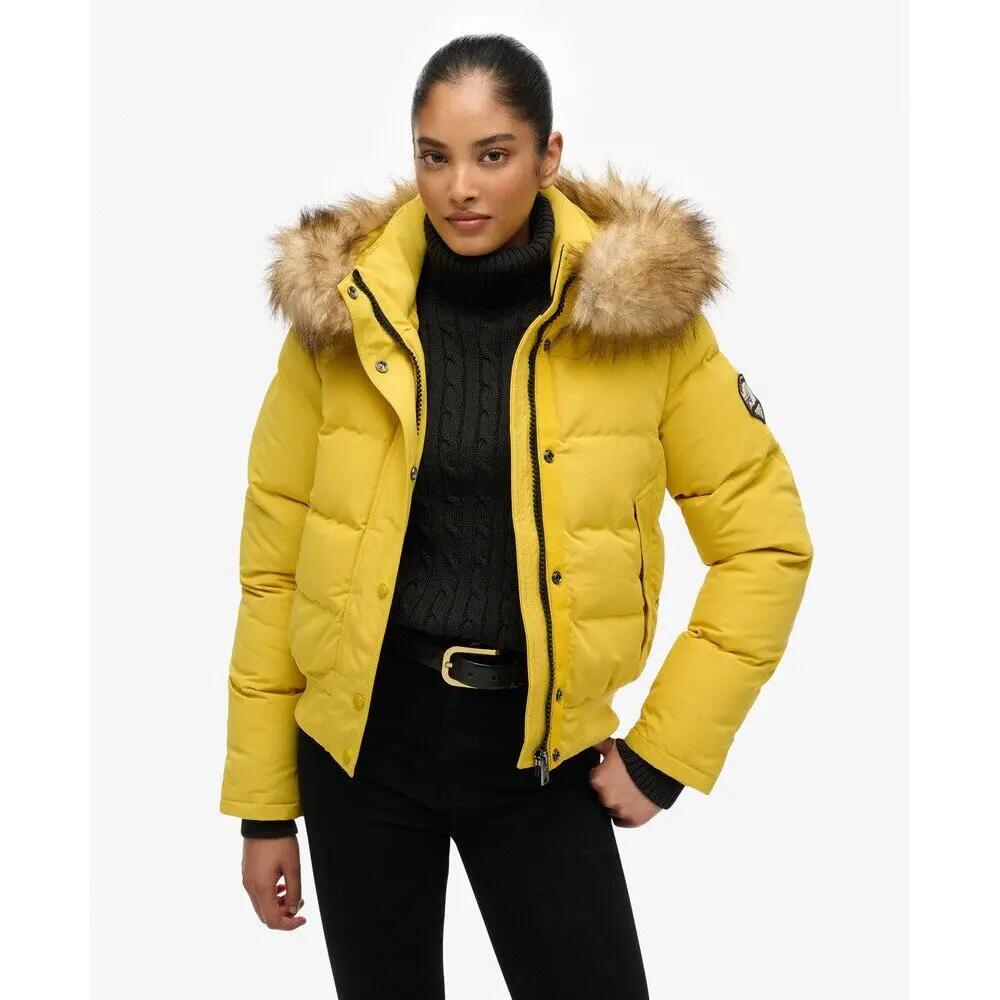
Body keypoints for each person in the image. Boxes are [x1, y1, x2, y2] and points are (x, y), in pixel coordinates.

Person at [219, 32, 813, 1000]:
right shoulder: (345, 318)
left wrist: (664, 755)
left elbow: (765, 544)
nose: (460, 187)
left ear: (548, 156)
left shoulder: (645, 325)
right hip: (360, 745)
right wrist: (262, 807)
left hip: (538, 751)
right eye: (435, 156)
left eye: (492, 154)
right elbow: (275, 564)